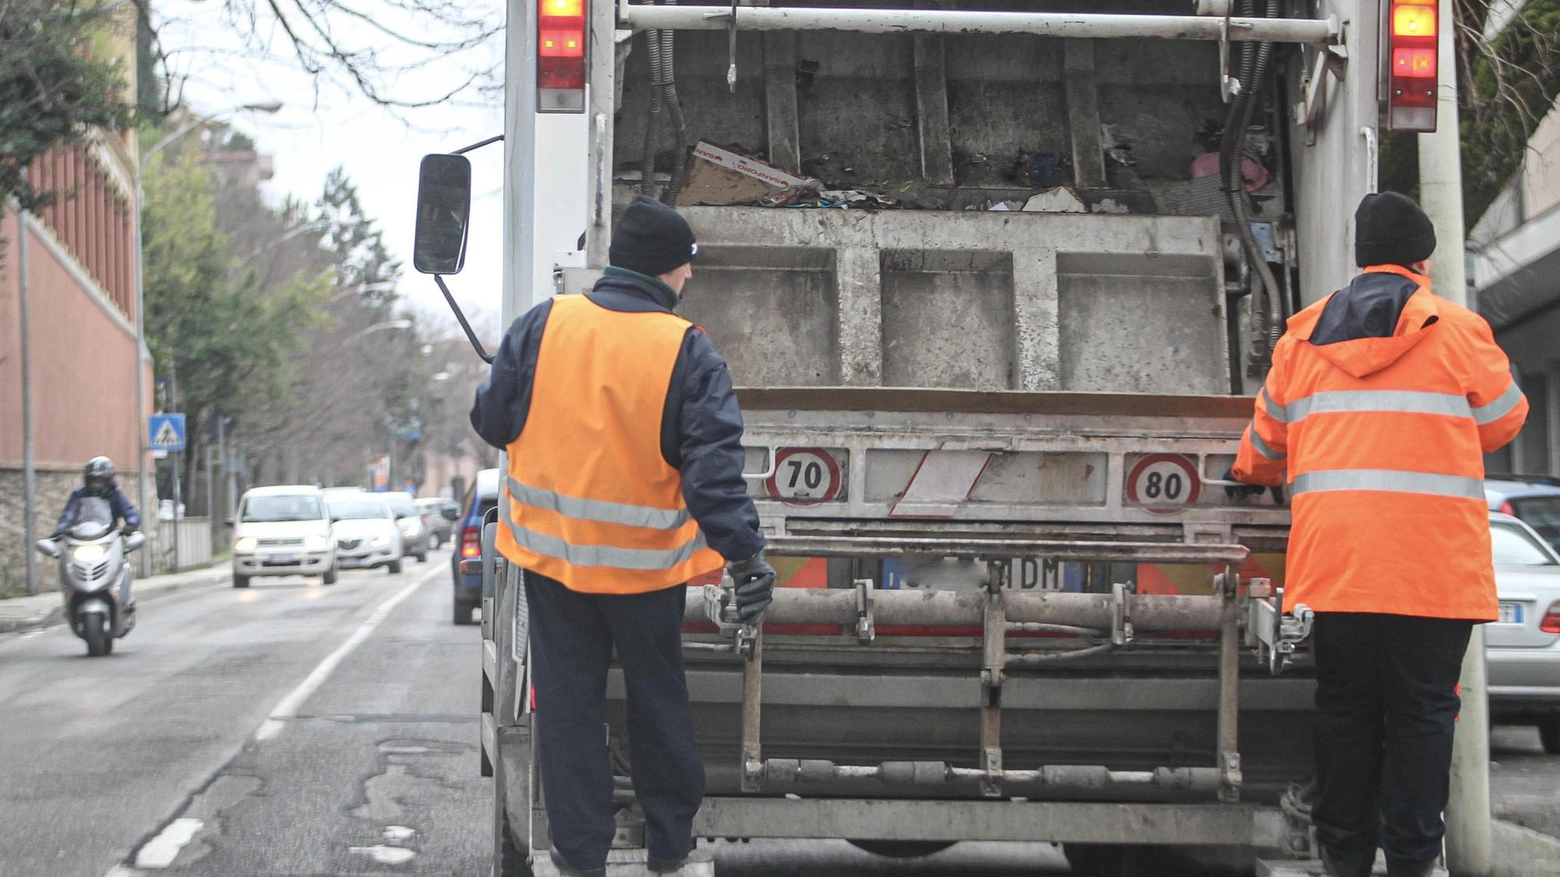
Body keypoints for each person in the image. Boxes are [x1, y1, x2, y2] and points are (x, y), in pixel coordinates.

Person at [471, 195, 776, 877]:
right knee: (657, 700)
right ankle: (671, 846)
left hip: (551, 563)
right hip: (646, 574)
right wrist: (747, 555)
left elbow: (491, 419)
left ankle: (581, 856)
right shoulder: (687, 350)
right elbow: (712, 474)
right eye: (686, 266)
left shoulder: (543, 325)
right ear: (667, 270)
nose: (690, 278)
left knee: (569, 707)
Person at [1230, 192, 1528, 877]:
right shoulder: (1457, 330)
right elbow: (1505, 421)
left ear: (1360, 260)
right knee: (1423, 718)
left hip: (1339, 570)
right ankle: (1415, 860)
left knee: (1346, 711)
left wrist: (1249, 466)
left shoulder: (1302, 337)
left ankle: (1344, 855)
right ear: (1421, 261)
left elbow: (1260, 451)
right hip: (1434, 575)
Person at [55, 456, 143, 608]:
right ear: (87, 480)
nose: (96, 484)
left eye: (100, 480)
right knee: (66, 561)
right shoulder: (79, 495)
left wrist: (131, 524)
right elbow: (68, 514)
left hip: (108, 538)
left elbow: (130, 513)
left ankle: (123, 598)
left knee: (122, 565)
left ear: (108, 480)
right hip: (82, 538)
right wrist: (61, 529)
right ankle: (71, 599)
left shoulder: (115, 495)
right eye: (93, 480)